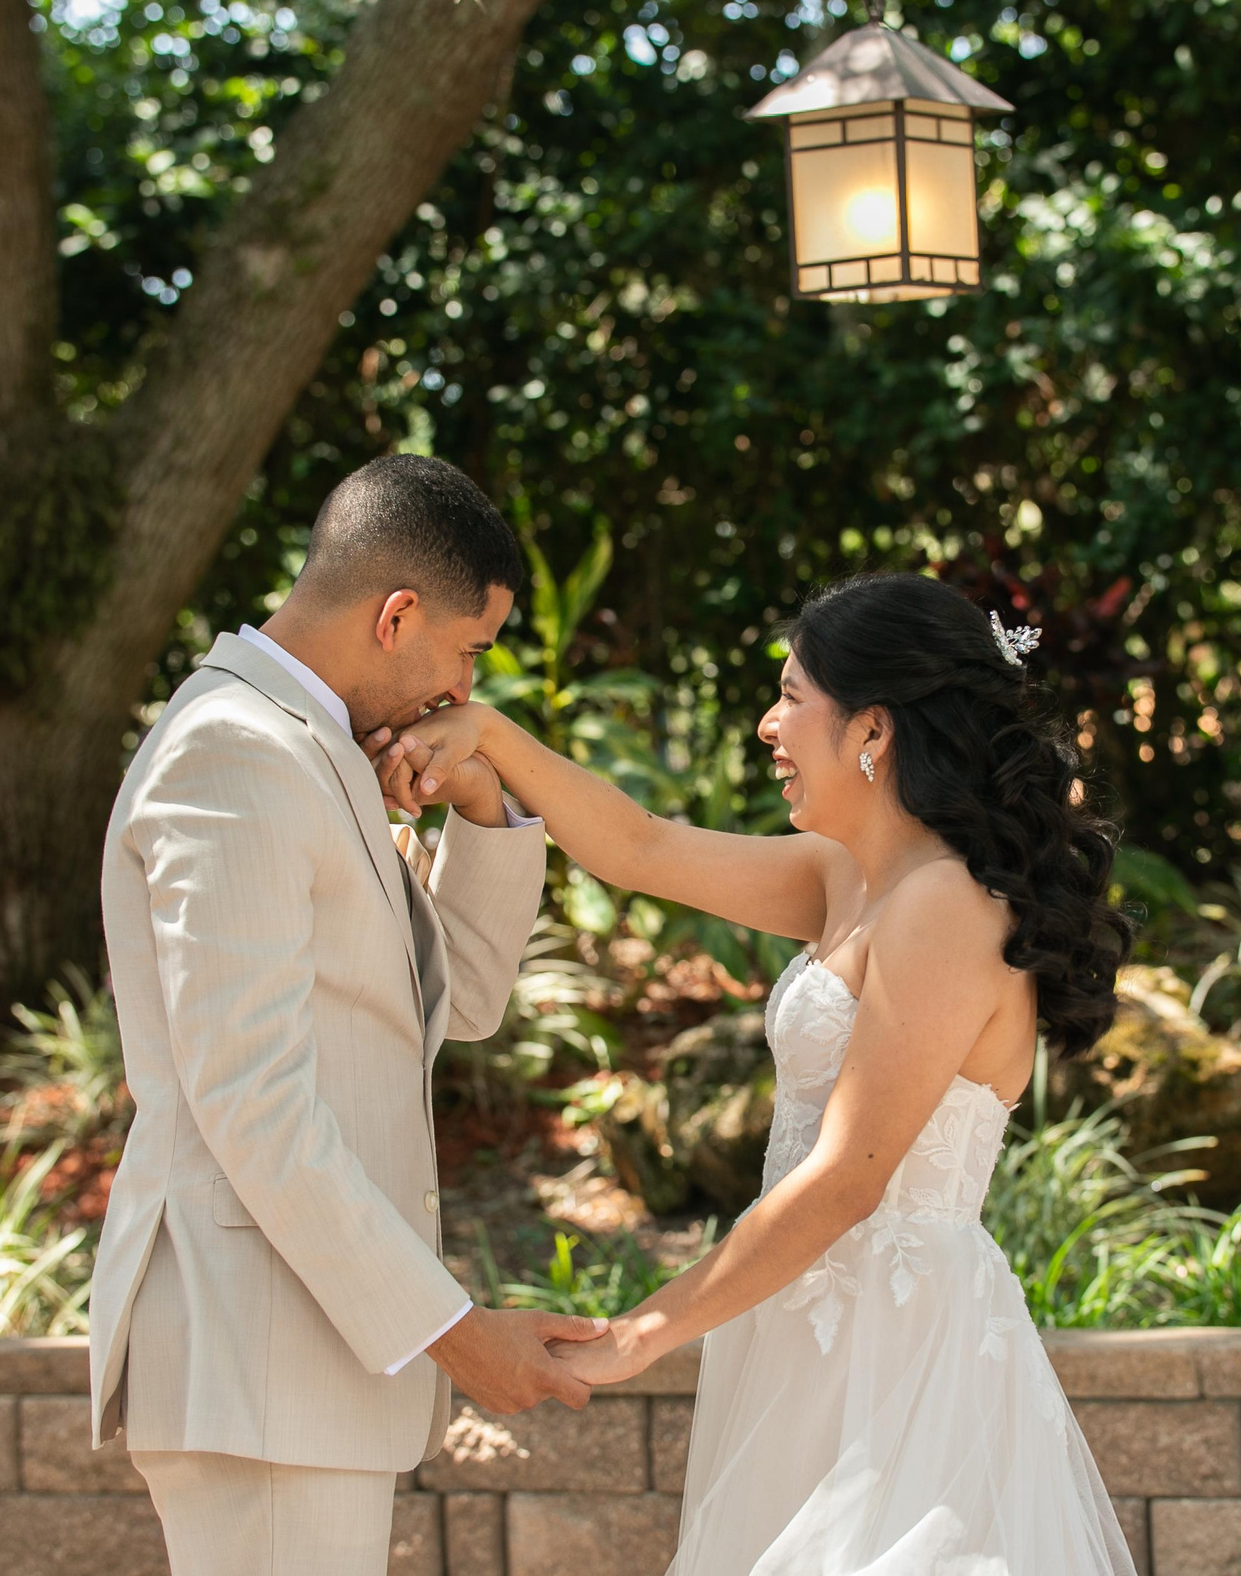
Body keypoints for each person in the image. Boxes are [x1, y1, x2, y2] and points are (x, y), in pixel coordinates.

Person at [376, 570, 1139, 1575]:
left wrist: (643, 1329)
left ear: (871, 728)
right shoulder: (850, 878)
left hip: (896, 1352)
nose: (767, 724)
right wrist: (491, 737)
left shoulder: (944, 904)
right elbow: (641, 848)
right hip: (801, 1326)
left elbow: (848, 1179)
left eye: (790, 695)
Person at [86, 454, 607, 1575]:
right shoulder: (238, 753)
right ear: (397, 615)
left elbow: (457, 1000)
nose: (461, 694)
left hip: (296, 1369)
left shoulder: (314, 752)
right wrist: (455, 1335)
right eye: (466, 655)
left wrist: (483, 808)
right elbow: (252, 1101)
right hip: (256, 1355)